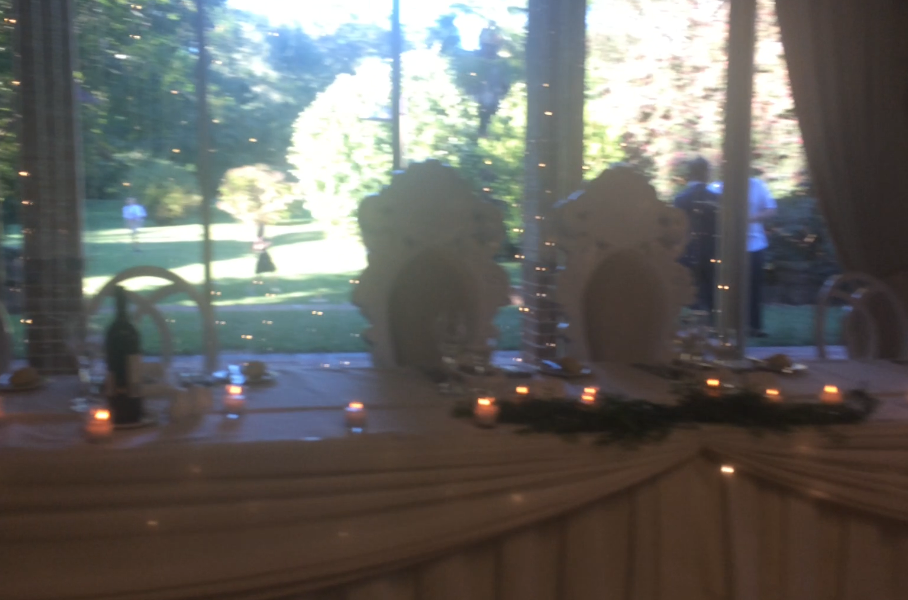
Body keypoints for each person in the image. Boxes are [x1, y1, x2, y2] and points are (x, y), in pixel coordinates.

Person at [708, 170, 777, 337]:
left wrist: (749, 218)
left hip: (755, 244)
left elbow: (771, 209)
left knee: (754, 286)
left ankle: (754, 326)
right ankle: (728, 325)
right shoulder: (718, 187)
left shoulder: (758, 185)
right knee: (729, 286)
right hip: (730, 245)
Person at [673, 156, 720, 313]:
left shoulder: (681, 199)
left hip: (688, 251)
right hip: (713, 252)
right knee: (712, 296)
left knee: (690, 295)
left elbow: (677, 229)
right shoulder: (716, 199)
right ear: (706, 173)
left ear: (690, 173)